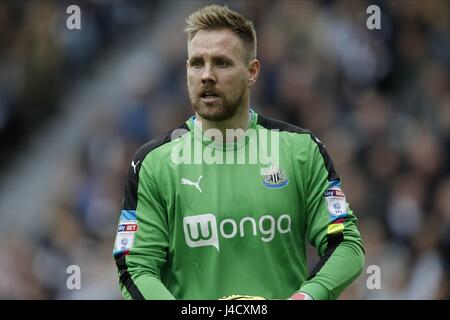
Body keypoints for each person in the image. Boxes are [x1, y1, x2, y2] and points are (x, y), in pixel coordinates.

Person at [113, 4, 364, 300]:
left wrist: (307, 296)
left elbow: (346, 244)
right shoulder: (153, 163)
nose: (206, 75)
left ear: (252, 72)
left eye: (221, 63)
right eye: (197, 63)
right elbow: (135, 268)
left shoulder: (301, 151)